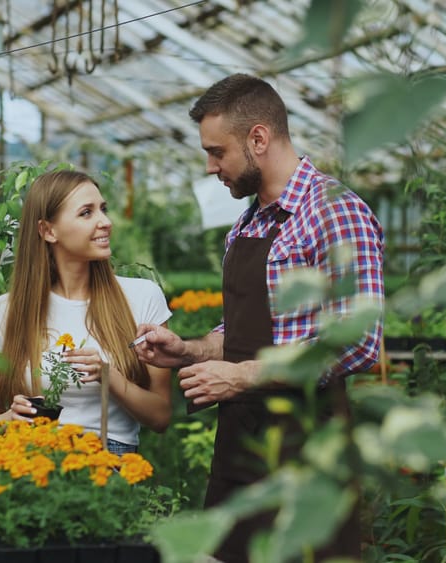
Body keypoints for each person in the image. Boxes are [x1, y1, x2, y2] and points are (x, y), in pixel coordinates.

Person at [134, 74, 384, 561]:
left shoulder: (334, 211)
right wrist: (188, 350)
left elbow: (358, 342)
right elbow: (243, 330)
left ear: (258, 139)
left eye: (217, 152)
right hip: (242, 446)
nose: (211, 167)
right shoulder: (248, 223)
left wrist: (243, 376)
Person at [0, 169, 172, 454]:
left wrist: (109, 377)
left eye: (103, 209)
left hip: (109, 458)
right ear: (48, 231)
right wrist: (10, 419)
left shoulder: (142, 297)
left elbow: (161, 416)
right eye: (86, 213)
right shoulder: (4, 312)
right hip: (32, 456)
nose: (106, 222)